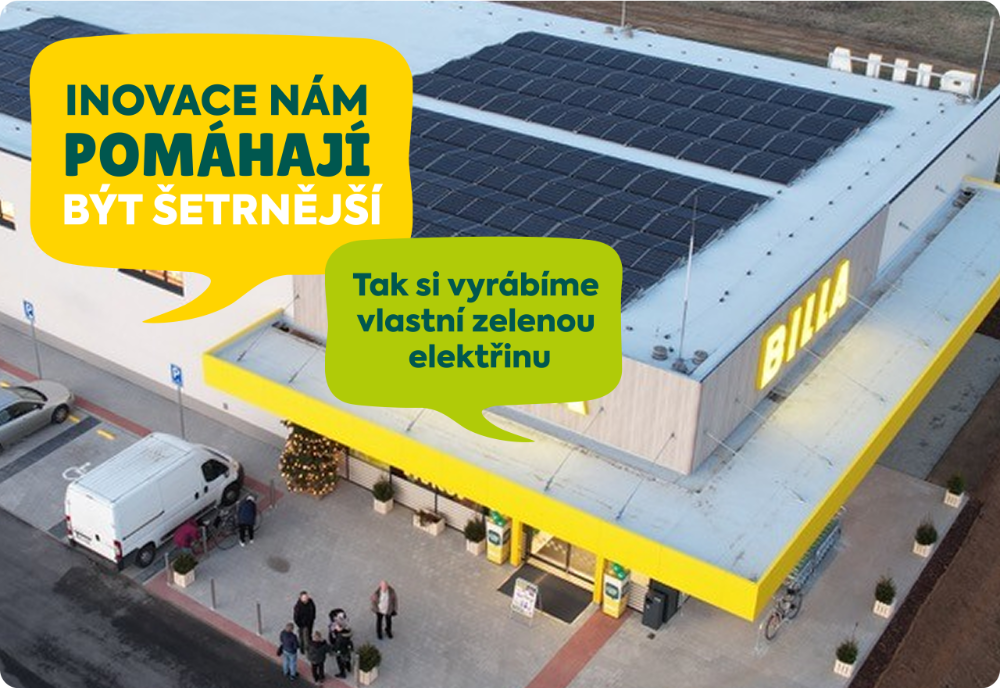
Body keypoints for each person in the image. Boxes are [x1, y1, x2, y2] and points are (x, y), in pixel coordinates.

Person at [328, 609, 353, 678]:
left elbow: (337, 644)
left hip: (341, 650)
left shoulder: (340, 637)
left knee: (340, 662)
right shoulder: (347, 632)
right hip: (347, 648)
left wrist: (334, 650)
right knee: (347, 658)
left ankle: (342, 673)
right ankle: (348, 667)